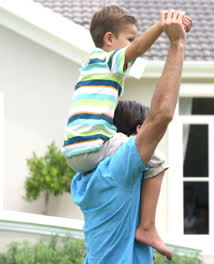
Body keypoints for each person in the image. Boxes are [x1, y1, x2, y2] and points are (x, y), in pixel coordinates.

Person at [71, 9, 188, 263]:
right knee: (158, 159)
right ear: (137, 132)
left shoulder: (85, 180)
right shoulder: (116, 171)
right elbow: (162, 116)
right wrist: (174, 40)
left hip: (79, 150)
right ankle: (148, 227)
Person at [112, 100, 171, 259]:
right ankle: (147, 227)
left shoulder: (93, 174)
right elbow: (157, 160)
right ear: (140, 130)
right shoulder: (129, 172)